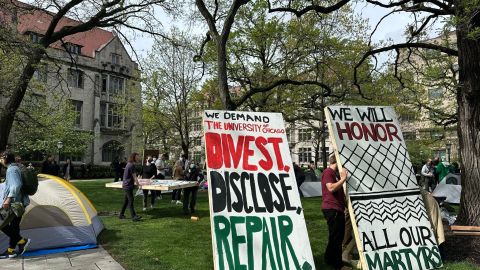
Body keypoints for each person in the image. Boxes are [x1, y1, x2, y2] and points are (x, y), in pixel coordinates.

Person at [0, 151, 31, 258]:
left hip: (14, 203)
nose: (0, 160)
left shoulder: (12, 169)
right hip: (19, 202)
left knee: (2, 224)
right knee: (14, 226)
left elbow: (16, 185)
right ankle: (11, 250)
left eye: (1, 158)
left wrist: (8, 199)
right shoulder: (15, 168)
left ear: (5, 158)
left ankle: (22, 242)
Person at [321, 155, 348, 270]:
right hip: (332, 209)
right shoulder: (328, 172)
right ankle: (338, 265)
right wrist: (343, 179)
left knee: (335, 237)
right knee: (337, 238)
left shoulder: (334, 174)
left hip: (336, 208)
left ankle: (328, 259)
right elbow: (331, 188)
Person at [119, 153, 141, 222]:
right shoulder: (131, 165)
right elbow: (134, 177)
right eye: (137, 157)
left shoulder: (128, 164)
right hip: (128, 186)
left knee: (126, 201)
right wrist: (138, 185)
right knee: (131, 200)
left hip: (126, 185)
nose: (138, 158)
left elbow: (125, 175)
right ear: (133, 158)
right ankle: (133, 217)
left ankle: (121, 214)